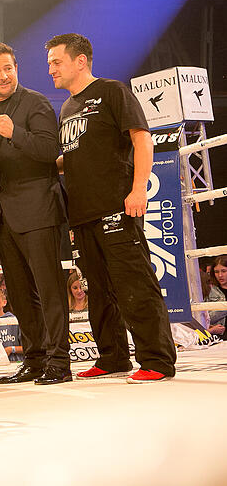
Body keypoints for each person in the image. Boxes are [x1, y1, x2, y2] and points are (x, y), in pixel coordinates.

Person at [46, 33, 176, 383]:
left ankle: (157, 359)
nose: (51, 69)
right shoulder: (67, 107)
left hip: (117, 206)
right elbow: (75, 157)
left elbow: (141, 137)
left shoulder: (112, 91)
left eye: (56, 62)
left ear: (80, 61)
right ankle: (113, 356)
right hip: (82, 213)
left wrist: (139, 189)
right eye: (50, 64)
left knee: (135, 284)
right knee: (98, 290)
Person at [0, 42, 72, 385]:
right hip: (4, 213)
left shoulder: (36, 102)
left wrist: (15, 132)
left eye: (8, 68)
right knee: (18, 293)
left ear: (16, 68)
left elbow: (50, 150)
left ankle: (59, 361)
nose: (3, 76)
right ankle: (34, 359)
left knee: (49, 289)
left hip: (39, 207)